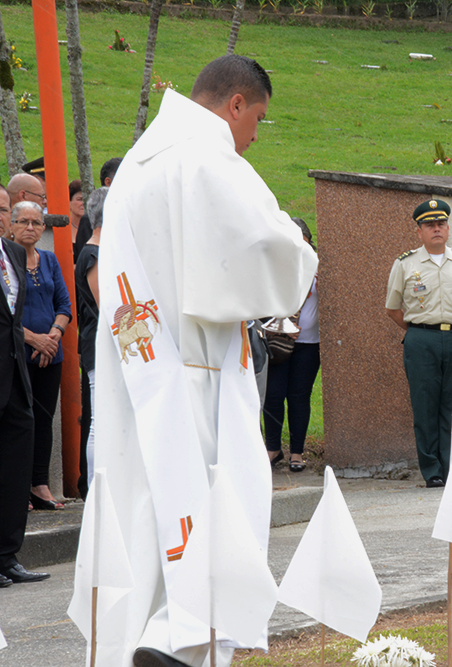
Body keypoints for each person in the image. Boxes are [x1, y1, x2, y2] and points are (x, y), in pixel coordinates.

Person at [85, 55, 316, 667]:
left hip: (138, 367)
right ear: (235, 103)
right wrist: (302, 261)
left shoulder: (138, 161)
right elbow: (270, 243)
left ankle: (146, 635)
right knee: (224, 497)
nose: (255, 136)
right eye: (258, 118)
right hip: (199, 370)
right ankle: (182, 637)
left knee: (147, 506)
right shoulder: (206, 153)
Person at [386, 199, 452, 489]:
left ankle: (451, 465)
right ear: (419, 232)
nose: (436, 229)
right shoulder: (405, 264)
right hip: (421, 339)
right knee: (425, 405)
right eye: (429, 225)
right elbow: (392, 308)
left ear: (448, 228)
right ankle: (432, 470)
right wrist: (420, 329)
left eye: (441, 224)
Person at [0, 189, 51, 585]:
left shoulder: (14, 256)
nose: (0, 216)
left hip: (17, 379)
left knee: (16, 469)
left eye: (3, 209)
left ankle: (8, 556)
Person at [9, 201, 72, 509]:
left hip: (50, 354)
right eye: (24, 222)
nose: (30, 227)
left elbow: (64, 305)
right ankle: (18, 488)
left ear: (44, 227)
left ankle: (40, 484)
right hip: (17, 354)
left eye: (36, 222)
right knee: (19, 422)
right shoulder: (5, 262)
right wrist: (34, 340)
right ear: (12, 225)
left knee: (45, 420)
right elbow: (5, 314)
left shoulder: (49, 261)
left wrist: (53, 336)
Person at [263, 218, 320, 473]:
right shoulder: (274, 265)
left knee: (299, 397)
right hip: (277, 342)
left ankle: (297, 452)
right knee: (273, 396)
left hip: (309, 343)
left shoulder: (319, 267)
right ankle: (273, 449)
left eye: (303, 241)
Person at [76, 187, 108, 494]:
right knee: (99, 422)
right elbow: (106, 304)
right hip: (98, 346)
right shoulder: (93, 253)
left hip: (101, 344)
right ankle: (97, 491)